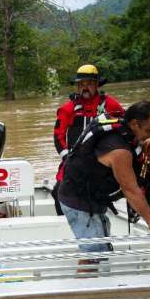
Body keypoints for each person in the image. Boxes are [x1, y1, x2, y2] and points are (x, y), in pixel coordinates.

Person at [57, 99, 150, 254]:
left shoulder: (122, 130)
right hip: (80, 203)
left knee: (99, 251)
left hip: (87, 197)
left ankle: (93, 273)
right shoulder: (119, 150)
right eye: (148, 130)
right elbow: (131, 190)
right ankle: (88, 277)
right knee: (95, 255)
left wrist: (142, 150)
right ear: (134, 124)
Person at [52, 64, 125, 215]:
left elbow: (127, 127)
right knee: (58, 190)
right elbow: (58, 136)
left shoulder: (111, 105)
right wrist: (66, 157)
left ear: (97, 85)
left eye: (89, 83)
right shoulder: (67, 109)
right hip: (73, 162)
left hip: (101, 162)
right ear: (77, 86)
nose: (85, 88)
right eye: (81, 84)